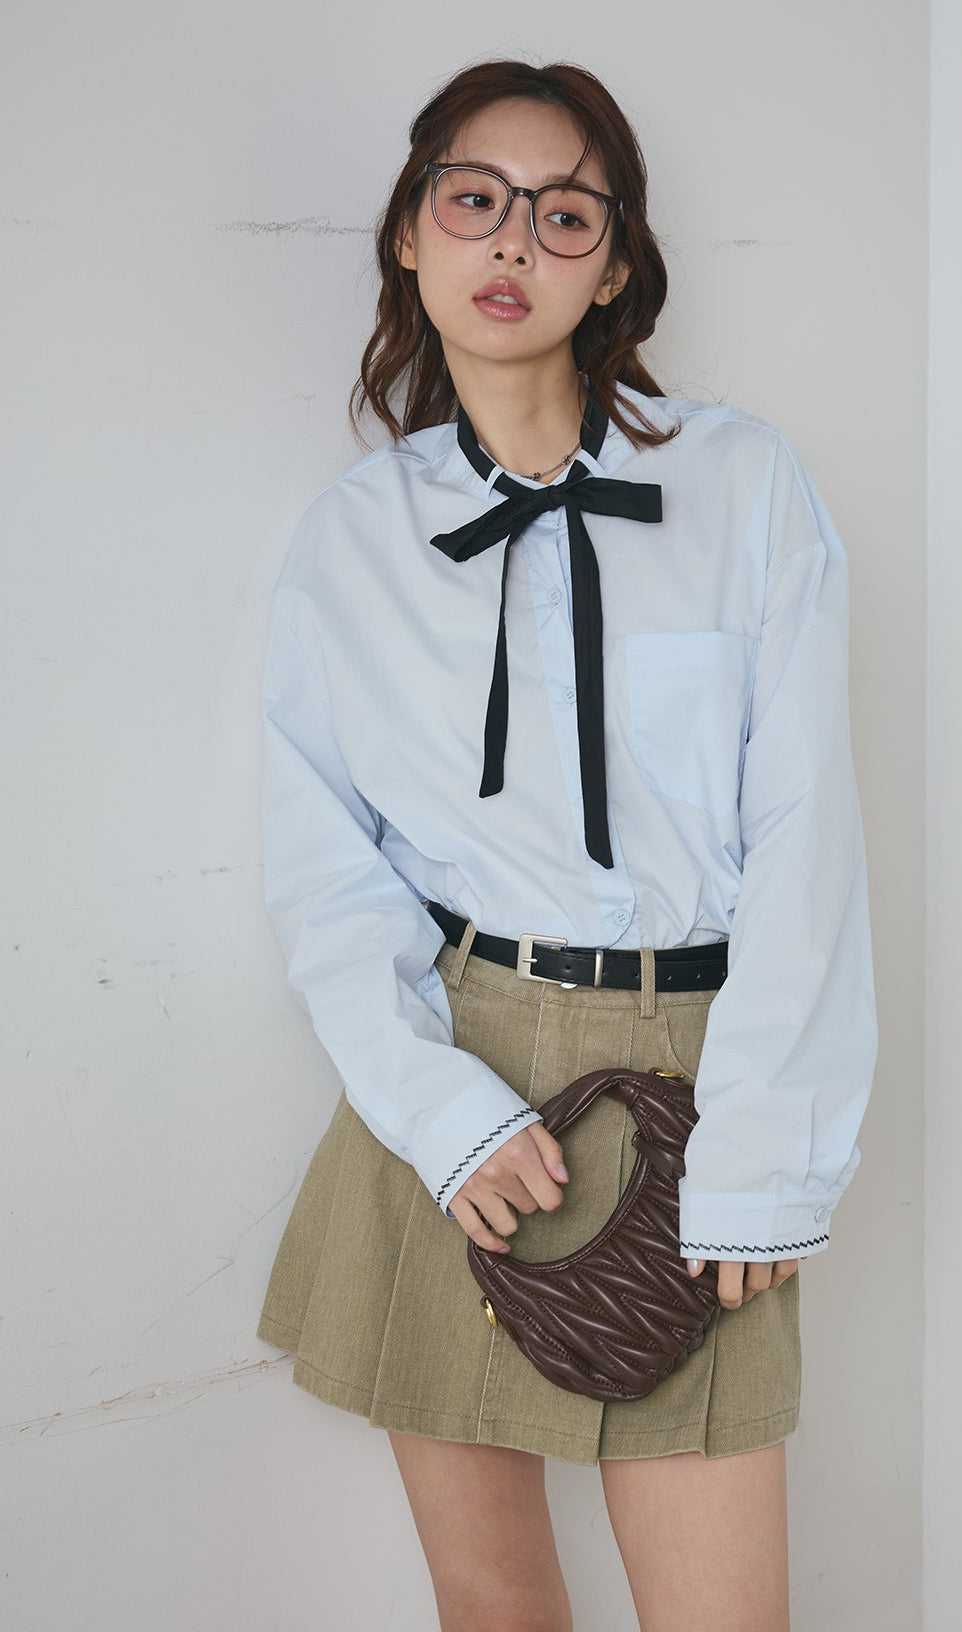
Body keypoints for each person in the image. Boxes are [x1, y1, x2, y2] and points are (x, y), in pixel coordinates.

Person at [255, 57, 878, 1632]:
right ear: (412, 232)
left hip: (697, 1093)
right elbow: (327, 869)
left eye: (564, 214)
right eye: (476, 200)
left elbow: (809, 837)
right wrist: (441, 1117)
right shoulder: (355, 537)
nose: (513, 241)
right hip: (454, 1096)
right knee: (495, 1609)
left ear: (613, 266)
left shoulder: (741, 486)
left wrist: (767, 1157)